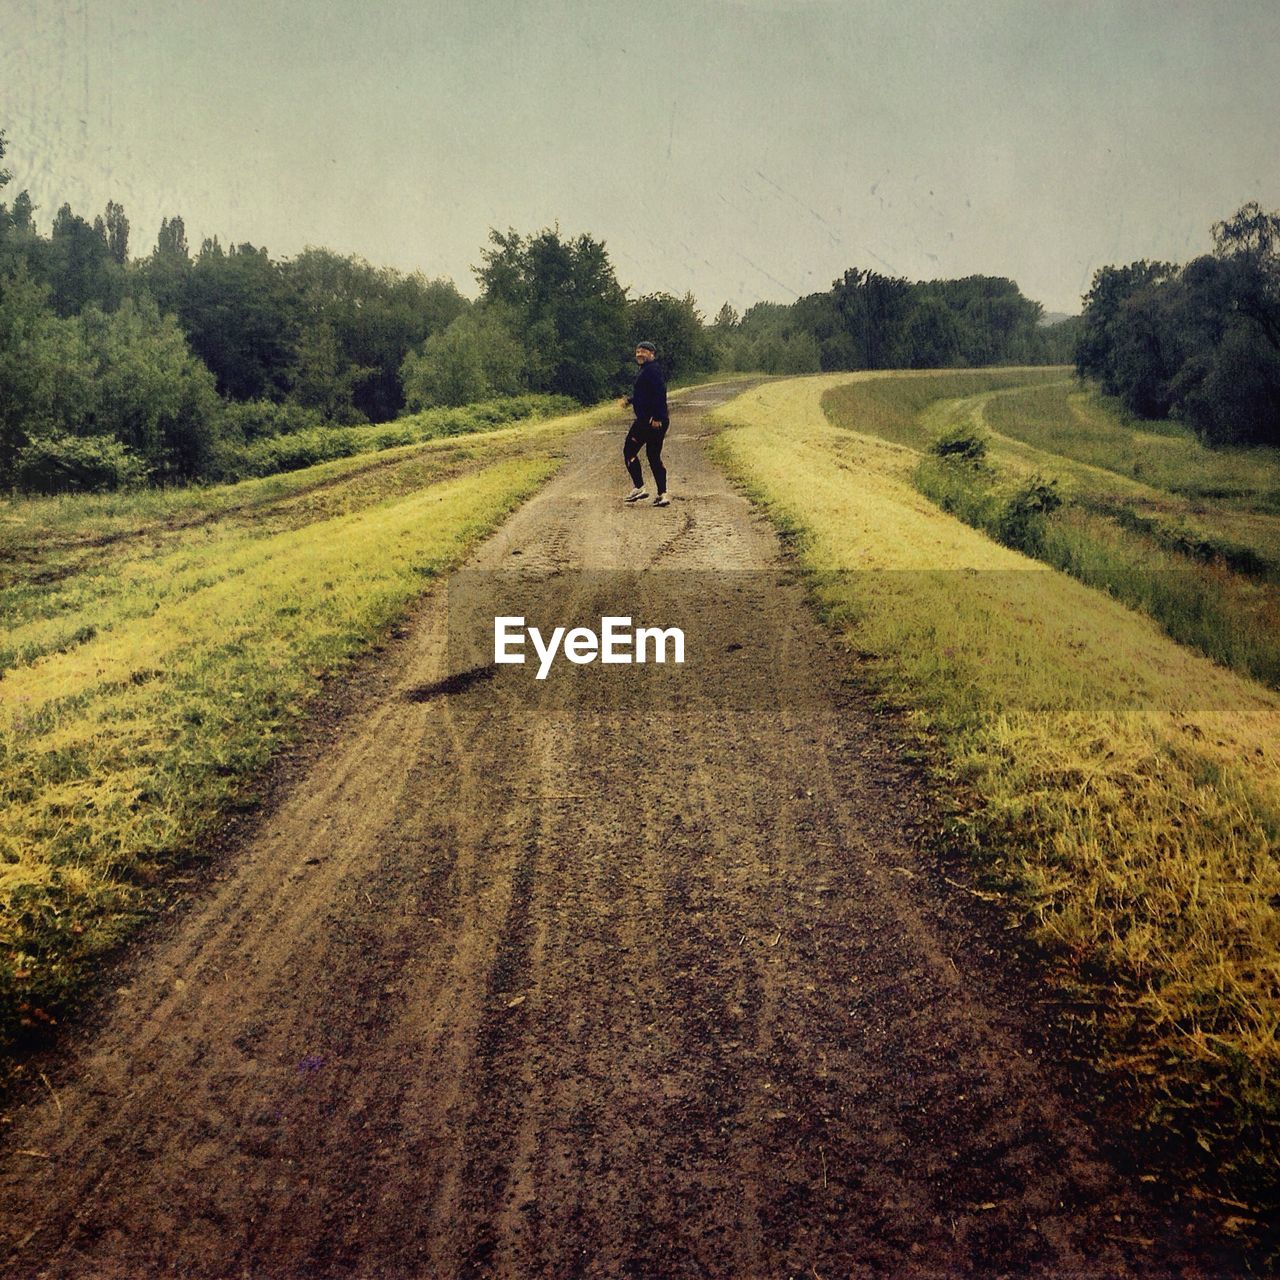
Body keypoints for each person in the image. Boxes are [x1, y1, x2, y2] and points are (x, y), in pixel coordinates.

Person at [620, 341, 670, 506]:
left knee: (629, 450)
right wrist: (630, 400)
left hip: (649, 421)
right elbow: (645, 396)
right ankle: (663, 495)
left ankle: (639, 487)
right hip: (653, 420)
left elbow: (660, 394)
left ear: (651, 354)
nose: (639, 354)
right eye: (637, 352)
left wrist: (657, 418)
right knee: (653, 456)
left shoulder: (652, 371)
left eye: (643, 352)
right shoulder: (648, 370)